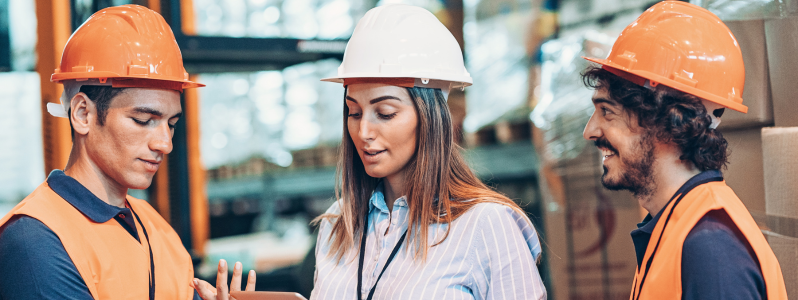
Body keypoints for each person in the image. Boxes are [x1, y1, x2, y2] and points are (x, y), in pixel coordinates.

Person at [0, 5, 251, 300]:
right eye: (144, 121)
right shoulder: (36, 241)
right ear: (82, 114)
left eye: (171, 124)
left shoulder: (155, 227)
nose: (164, 144)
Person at [310, 4, 546, 300]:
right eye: (354, 113)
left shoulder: (485, 224)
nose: (363, 132)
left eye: (384, 113)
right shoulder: (338, 223)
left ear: (430, 117)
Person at [580, 1, 787, 299]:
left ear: (668, 119)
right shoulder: (674, 226)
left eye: (607, 112)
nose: (590, 131)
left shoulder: (710, 249)